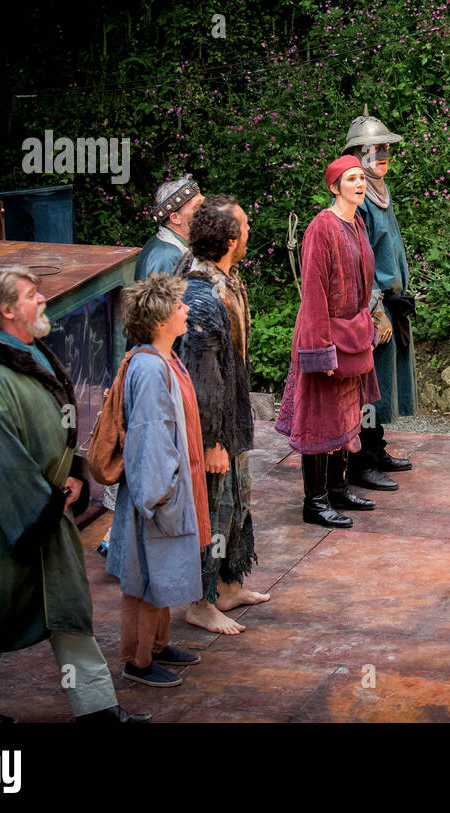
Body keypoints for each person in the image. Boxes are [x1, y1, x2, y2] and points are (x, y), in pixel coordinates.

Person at [0, 266, 148, 723]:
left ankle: (97, 708)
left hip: (47, 511)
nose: (42, 300)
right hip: (8, 518)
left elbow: (61, 429)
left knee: (69, 611)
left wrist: (74, 475)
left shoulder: (34, 353)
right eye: (32, 294)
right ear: (7, 310)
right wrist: (45, 504)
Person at [106, 274, 208, 687]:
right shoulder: (150, 367)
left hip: (166, 488)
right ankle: (139, 660)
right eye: (179, 306)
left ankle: (159, 645)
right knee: (147, 577)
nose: (186, 309)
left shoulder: (163, 358)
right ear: (161, 319)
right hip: (157, 493)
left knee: (160, 573)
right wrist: (159, 496)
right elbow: (149, 435)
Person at [176, 195, 270, 635]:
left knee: (236, 505)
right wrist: (212, 441)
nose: (250, 230)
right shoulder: (200, 292)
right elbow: (202, 378)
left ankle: (229, 586)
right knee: (214, 511)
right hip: (213, 428)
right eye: (245, 225)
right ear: (231, 238)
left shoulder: (226, 277)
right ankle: (200, 601)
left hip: (233, 417)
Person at [276, 156, 381, 528]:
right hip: (323, 336)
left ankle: (338, 489)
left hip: (352, 336)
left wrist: (365, 330)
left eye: (361, 178)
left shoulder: (357, 223)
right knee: (320, 418)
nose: (359, 184)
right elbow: (314, 293)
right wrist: (321, 350)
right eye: (350, 179)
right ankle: (315, 502)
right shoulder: (322, 226)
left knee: (346, 415)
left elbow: (364, 283)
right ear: (334, 187)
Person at [348, 115, 416, 492]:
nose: (383, 154)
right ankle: (362, 461)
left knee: (384, 384)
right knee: (368, 387)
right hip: (372, 307)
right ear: (359, 155)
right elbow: (359, 259)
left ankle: (377, 448)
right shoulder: (358, 199)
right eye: (375, 149)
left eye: (386, 147)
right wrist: (375, 309)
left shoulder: (380, 190)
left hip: (392, 302)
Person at [136, 177, 204, 280]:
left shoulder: (178, 244)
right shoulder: (166, 257)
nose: (206, 211)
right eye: (197, 207)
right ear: (175, 218)